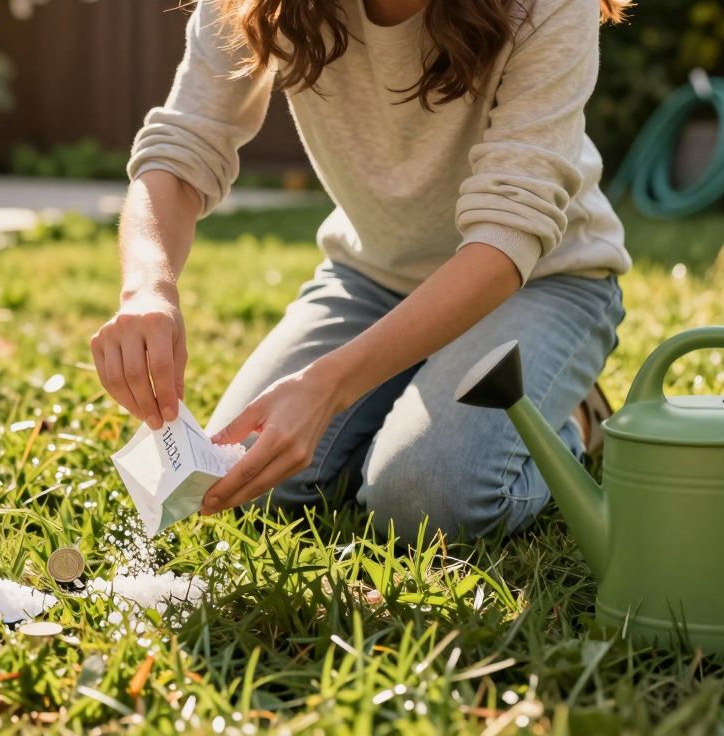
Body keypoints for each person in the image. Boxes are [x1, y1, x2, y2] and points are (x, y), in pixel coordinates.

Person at [90, 0, 632, 539]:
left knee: (424, 501)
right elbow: (183, 148)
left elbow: (507, 233)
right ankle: (409, 406)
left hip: (539, 280)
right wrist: (148, 289)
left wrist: (328, 385)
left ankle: (575, 420)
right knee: (247, 480)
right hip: (373, 277)